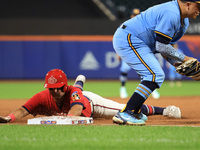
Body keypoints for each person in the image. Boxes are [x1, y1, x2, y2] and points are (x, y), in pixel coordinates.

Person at [112, 0, 199, 125]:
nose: (199, 11)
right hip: (129, 37)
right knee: (154, 75)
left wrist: (177, 64)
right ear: (188, 4)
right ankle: (127, 112)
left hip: (140, 42)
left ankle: (134, 110)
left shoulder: (183, 21)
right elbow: (161, 46)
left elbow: (163, 46)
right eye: (198, 6)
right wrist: (185, 58)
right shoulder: (172, 13)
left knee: (154, 75)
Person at [0, 69, 181, 123]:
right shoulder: (42, 96)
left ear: (65, 86)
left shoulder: (74, 93)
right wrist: (9, 117)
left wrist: (64, 119)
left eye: (58, 88)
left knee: (125, 110)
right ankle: (80, 80)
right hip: (78, 94)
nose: (54, 92)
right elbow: (24, 110)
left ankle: (164, 110)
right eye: (51, 89)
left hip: (91, 103)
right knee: (77, 87)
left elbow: (76, 109)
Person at [119, 8, 160, 99]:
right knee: (124, 69)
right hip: (128, 51)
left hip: (140, 51)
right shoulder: (125, 25)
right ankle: (122, 89)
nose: (136, 16)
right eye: (134, 15)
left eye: (137, 15)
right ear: (131, 15)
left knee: (145, 71)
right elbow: (120, 38)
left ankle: (151, 89)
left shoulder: (144, 26)